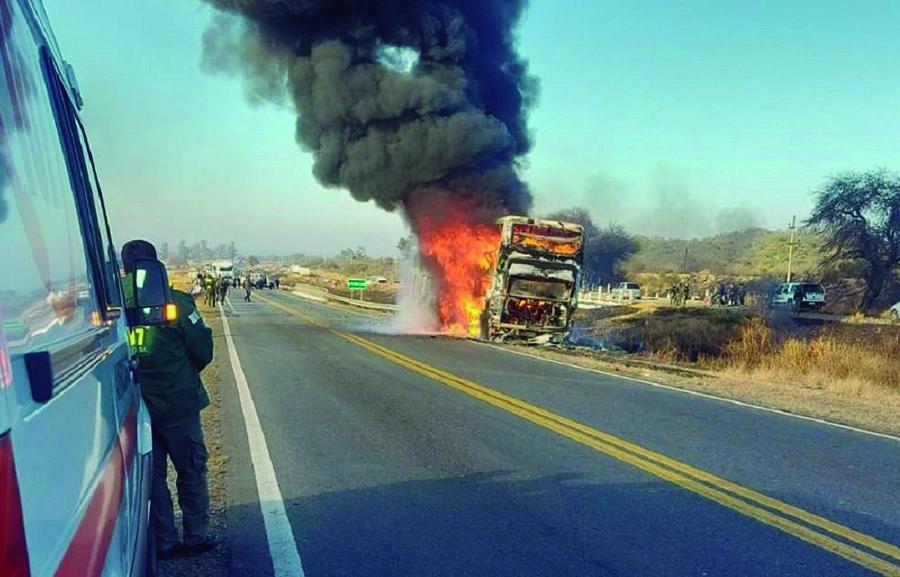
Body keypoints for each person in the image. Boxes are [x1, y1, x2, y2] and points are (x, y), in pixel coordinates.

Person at [121, 240, 217, 560]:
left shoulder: (113, 306)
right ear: (156, 265)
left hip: (135, 409)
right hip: (177, 405)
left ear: (124, 267)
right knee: (190, 471)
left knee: (153, 478)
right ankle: (195, 536)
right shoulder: (176, 303)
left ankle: (164, 540)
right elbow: (202, 351)